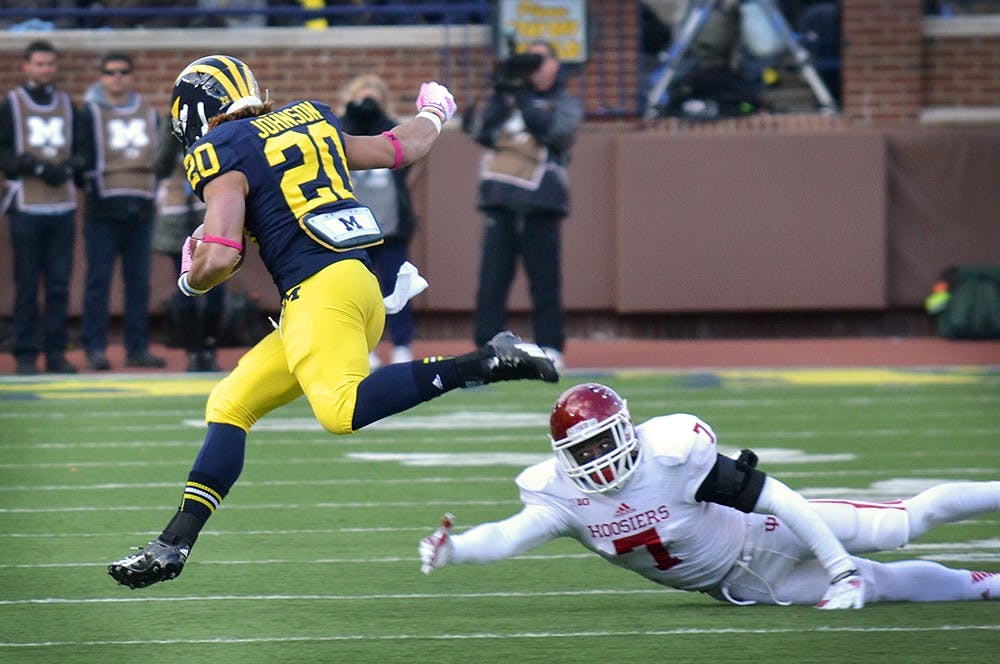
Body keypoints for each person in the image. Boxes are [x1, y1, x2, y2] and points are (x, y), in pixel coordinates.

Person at [108, 55, 559, 589]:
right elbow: (401, 147)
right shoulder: (309, 119)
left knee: (340, 410)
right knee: (230, 404)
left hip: (321, 296)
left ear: (197, 115)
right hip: (354, 289)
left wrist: (190, 278)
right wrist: (434, 111)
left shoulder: (218, 151)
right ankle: (174, 543)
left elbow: (222, 254)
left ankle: (482, 362)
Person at [420, 383, 1000, 608]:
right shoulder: (559, 497)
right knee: (886, 587)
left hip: (765, 532)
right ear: (563, 458)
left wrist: (839, 567)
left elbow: (778, 499)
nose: (597, 460)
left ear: (627, 431)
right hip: (743, 584)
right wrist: (459, 550)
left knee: (903, 522)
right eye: (584, 452)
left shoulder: (673, 452)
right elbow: (507, 535)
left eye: (604, 444)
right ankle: (991, 587)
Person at [462, 40, 582, 372]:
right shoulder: (504, 102)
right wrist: (500, 94)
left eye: (538, 61)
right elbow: (477, 131)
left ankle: (551, 345)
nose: (532, 68)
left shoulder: (564, 103)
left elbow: (557, 134)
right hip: (499, 201)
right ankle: (486, 346)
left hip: (541, 202)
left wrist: (526, 99)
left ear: (555, 65)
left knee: (544, 279)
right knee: (492, 280)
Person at [0, 40, 84, 375]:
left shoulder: (66, 103)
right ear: (26, 67)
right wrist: (34, 166)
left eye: (50, 64)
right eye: (39, 64)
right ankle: (25, 353)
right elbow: (3, 152)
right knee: (27, 284)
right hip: (27, 207)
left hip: (62, 207)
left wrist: (71, 166)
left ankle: (55, 352)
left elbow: (83, 148)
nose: (45, 69)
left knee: (59, 284)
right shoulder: (12, 105)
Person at [78, 53, 166, 371]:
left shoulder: (148, 113)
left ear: (131, 76)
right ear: (101, 77)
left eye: (123, 72)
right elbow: (82, 159)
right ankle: (94, 348)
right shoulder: (89, 113)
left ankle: (137, 347)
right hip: (103, 209)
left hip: (141, 207)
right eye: (110, 72)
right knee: (98, 281)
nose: (117, 77)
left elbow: (161, 158)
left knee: (139, 282)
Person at [338, 73, 418, 368]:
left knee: (397, 285)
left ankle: (401, 344)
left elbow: (400, 150)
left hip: (389, 227)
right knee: (357, 290)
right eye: (363, 95)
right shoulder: (340, 127)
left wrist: (375, 113)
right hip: (351, 228)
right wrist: (354, 113)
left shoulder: (389, 127)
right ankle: (362, 346)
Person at [151, 118, 224, 372]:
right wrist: (174, 137)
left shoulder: (219, 125)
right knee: (186, 287)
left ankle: (210, 348)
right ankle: (193, 351)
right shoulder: (170, 127)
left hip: (211, 211)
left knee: (216, 287)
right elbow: (159, 167)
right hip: (177, 217)